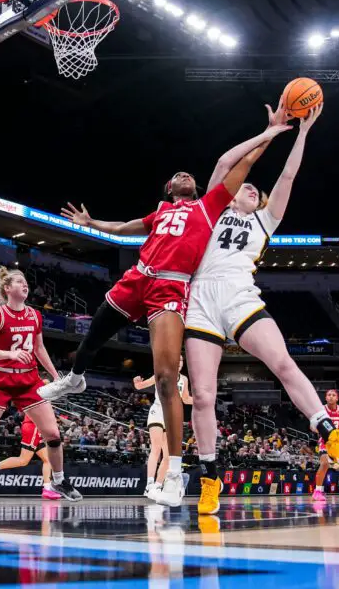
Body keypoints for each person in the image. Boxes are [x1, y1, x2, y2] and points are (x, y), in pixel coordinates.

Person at [40, 111, 291, 506]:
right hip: (139, 276)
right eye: (178, 175)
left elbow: (242, 165)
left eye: (189, 174)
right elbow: (124, 228)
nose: (184, 174)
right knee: (93, 334)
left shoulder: (209, 206)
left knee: (165, 376)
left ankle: (174, 474)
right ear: (169, 188)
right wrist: (91, 223)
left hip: (172, 286)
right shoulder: (160, 211)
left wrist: (270, 134)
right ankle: (75, 377)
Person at [181, 104, 339, 514]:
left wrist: (302, 133)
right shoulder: (215, 208)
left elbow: (288, 175)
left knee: (282, 363)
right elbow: (226, 161)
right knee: (204, 397)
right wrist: (269, 132)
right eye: (245, 187)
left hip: (241, 294)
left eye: (254, 190)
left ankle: (328, 431)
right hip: (201, 300)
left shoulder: (264, 221)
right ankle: (210, 478)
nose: (249, 188)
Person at [0, 267, 82, 508]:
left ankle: (59, 481)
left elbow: (39, 349)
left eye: (25, 282)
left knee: (53, 434)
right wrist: (10, 353)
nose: (25, 285)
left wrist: (56, 376)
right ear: (7, 289)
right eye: (19, 282)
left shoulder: (34, 315)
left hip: (28, 381)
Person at [132, 357, 192, 498]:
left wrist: (202, 399)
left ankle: (158, 486)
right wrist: (137, 382)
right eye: (177, 360)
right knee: (156, 447)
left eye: (182, 361)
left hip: (171, 416)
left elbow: (186, 399)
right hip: (158, 411)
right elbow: (140, 386)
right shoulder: (161, 373)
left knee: (168, 456)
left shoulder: (184, 379)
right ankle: (149, 484)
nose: (179, 363)